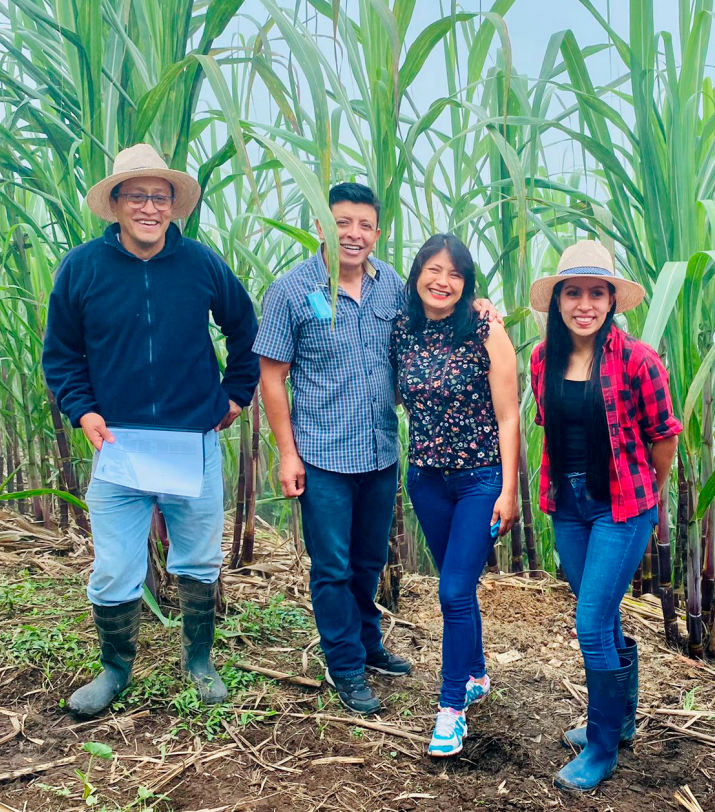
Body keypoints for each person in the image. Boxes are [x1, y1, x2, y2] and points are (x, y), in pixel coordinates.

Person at [254, 185, 500, 715]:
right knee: (332, 565)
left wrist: (480, 305)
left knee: (367, 560)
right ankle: (343, 663)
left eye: (364, 225)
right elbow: (271, 377)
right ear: (321, 225)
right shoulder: (291, 292)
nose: (353, 234)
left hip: (380, 452)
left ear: (378, 233)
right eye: (342, 222)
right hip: (321, 455)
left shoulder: (393, 286)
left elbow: (443, 310)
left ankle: (367, 643)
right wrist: (286, 453)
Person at [42, 144, 259, 715]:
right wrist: (83, 410)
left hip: (193, 441)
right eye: (136, 196)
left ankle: (198, 660)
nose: (148, 207)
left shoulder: (201, 265)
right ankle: (114, 669)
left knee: (196, 558)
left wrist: (236, 393)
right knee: (114, 564)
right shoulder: (82, 268)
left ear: (172, 205)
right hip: (119, 446)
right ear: (116, 203)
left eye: (158, 197)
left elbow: (244, 327)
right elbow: (60, 355)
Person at [529, 240, 681, 791]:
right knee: (604, 615)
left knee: (591, 624)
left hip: (622, 505)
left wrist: (648, 496)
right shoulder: (543, 357)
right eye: (574, 293)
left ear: (613, 299)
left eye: (597, 292)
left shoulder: (637, 359)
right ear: (559, 301)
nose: (585, 304)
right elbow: (550, 424)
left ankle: (600, 748)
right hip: (568, 506)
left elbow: (663, 437)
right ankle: (621, 724)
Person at [391, 234, 520, 757]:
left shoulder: (486, 328)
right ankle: (476, 674)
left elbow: (510, 416)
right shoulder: (402, 328)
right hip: (426, 480)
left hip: (479, 478)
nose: (442, 282)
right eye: (433, 270)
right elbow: (398, 395)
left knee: (451, 592)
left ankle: (450, 708)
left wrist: (509, 490)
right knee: (457, 590)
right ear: (418, 273)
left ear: (467, 284)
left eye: (456, 274)